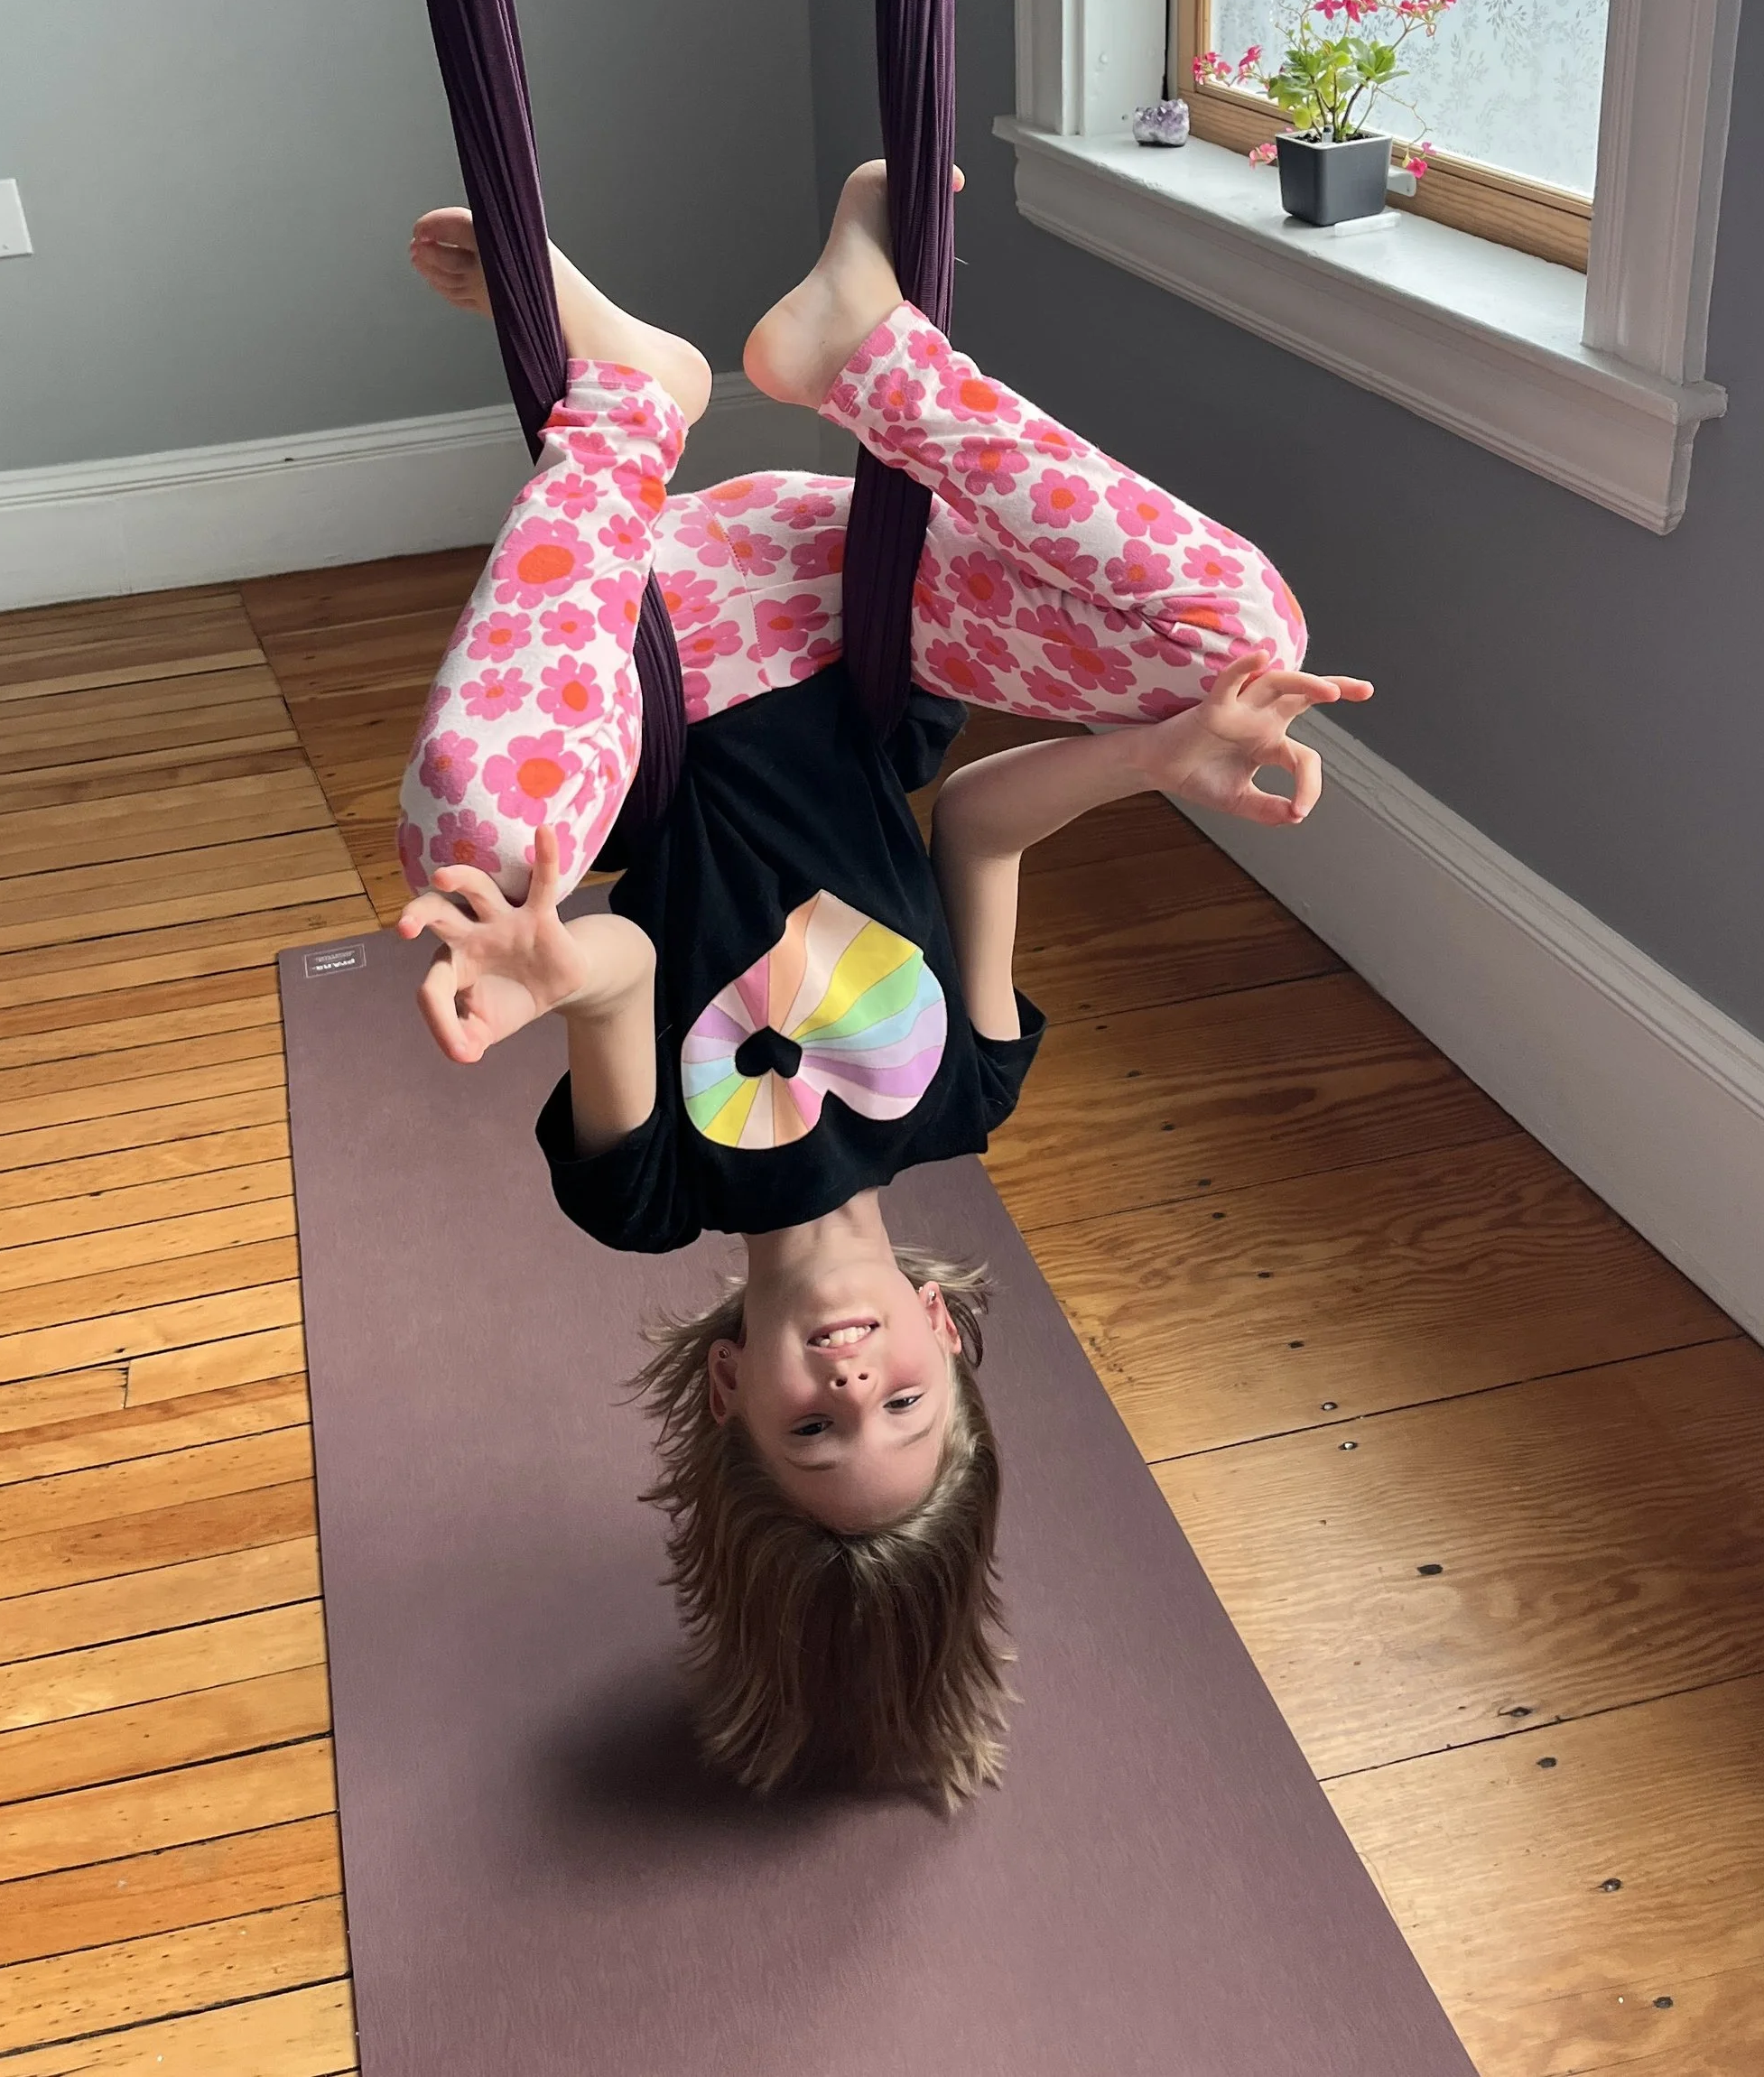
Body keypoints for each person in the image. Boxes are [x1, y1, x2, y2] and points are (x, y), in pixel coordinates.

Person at [395, 165, 1368, 1803]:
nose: (854, 1389)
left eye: (813, 1431)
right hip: (848, 606)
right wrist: (1154, 759)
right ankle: (867, 353)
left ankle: (631, 402)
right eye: (906, 1406)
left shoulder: (654, 1198)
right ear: (947, 1333)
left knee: (482, 841)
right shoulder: (968, 1092)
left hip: (634, 659)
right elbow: (975, 825)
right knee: (1245, 640)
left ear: (731, 1391)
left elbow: (625, 976)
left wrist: (549, 969)